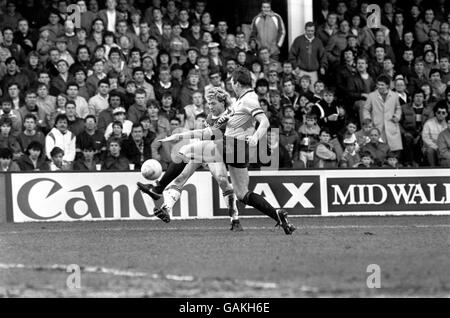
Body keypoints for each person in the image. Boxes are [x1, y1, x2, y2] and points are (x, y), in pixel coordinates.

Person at [138, 67, 295, 235]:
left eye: (232, 83)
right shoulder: (239, 102)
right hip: (239, 152)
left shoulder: (248, 100)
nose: (231, 86)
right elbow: (209, 132)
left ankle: (158, 189)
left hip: (230, 146)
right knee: (242, 193)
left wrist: (256, 137)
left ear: (237, 83)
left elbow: (264, 122)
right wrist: (178, 135)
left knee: (185, 151)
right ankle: (278, 216)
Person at [141, 87, 243, 231]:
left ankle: (235, 218)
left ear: (222, 102)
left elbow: (206, 133)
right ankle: (166, 208)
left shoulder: (229, 115)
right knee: (181, 176)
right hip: (205, 149)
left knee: (222, 180)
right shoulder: (209, 118)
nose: (210, 106)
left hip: (217, 152)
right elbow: (205, 133)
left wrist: (179, 135)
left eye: (213, 103)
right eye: (209, 103)